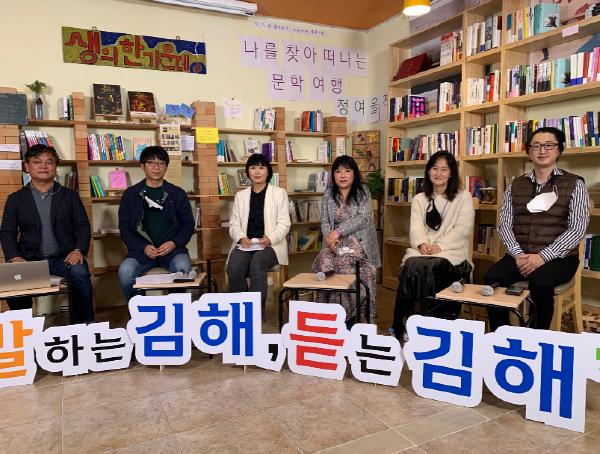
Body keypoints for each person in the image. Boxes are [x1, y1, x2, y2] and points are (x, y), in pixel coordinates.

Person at [486, 127, 589, 330]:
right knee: (492, 278)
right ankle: (501, 335)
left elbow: (577, 229)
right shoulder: (515, 184)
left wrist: (542, 257)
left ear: (559, 150)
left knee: (540, 284)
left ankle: (537, 338)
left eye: (549, 145)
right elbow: (504, 224)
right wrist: (517, 254)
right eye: (536, 145)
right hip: (520, 254)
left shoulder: (575, 184)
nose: (542, 150)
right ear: (529, 151)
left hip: (559, 258)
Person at [0, 144, 95, 323]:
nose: (43, 166)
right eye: (37, 162)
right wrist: (15, 258)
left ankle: (84, 328)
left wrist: (79, 250)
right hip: (29, 259)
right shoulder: (16, 199)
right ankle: (25, 330)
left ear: (55, 167)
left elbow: (83, 225)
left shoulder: (69, 196)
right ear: (27, 167)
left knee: (81, 275)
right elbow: (7, 232)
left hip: (64, 258)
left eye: (49, 162)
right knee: (14, 284)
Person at [392, 150, 474, 340]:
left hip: (452, 252)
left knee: (433, 267)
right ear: (428, 171)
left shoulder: (463, 197)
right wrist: (421, 244)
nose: (438, 173)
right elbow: (416, 227)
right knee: (409, 267)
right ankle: (406, 321)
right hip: (423, 250)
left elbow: (463, 229)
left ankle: (429, 324)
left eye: (444, 169)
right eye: (434, 168)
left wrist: (440, 246)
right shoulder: (420, 198)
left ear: (451, 173)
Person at [118, 146, 195, 301]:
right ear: (142, 166)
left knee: (184, 270)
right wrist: (143, 247)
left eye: (161, 163)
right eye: (151, 163)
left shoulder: (177, 193)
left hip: (173, 250)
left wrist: (174, 243)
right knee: (125, 272)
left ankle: (174, 310)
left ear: (166, 166)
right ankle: (140, 310)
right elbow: (124, 228)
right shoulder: (131, 194)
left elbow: (188, 224)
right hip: (141, 251)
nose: (156, 167)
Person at [312, 155, 380, 325]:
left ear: (354, 173)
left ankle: (351, 319)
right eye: (338, 171)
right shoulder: (328, 193)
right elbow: (325, 221)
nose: (342, 175)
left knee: (344, 263)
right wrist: (330, 239)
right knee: (324, 262)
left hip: (358, 241)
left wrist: (338, 231)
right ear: (333, 175)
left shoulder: (363, 191)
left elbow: (363, 218)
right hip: (333, 242)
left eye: (347, 171)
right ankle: (327, 320)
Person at [227, 153, 291, 314]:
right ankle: (240, 312)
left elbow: (284, 223)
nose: (257, 171)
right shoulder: (240, 196)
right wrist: (241, 238)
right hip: (245, 244)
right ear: (248, 171)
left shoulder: (279, 193)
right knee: (234, 266)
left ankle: (254, 313)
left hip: (270, 245)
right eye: (253, 167)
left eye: (261, 168)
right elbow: (234, 223)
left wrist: (270, 238)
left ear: (268, 171)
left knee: (257, 264)